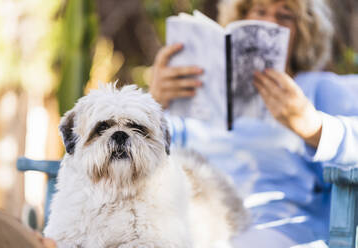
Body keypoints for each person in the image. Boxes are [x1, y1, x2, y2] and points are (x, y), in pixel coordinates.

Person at [149, 0, 358, 247]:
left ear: (303, 31)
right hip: (197, 217)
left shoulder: (317, 87)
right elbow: (156, 154)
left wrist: (313, 126)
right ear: (240, 19)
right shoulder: (198, 92)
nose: (269, 23)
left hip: (276, 226)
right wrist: (154, 103)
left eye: (285, 16)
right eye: (260, 12)